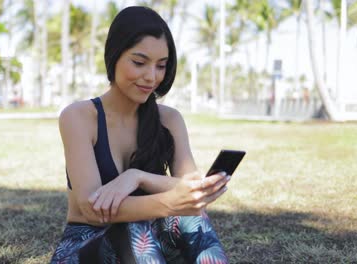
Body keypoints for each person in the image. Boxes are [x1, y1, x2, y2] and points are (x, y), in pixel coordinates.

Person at [51, 6, 230, 264]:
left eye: (161, 66)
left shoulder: (169, 119)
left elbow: (192, 188)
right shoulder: (78, 117)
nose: (151, 77)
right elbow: (91, 210)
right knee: (137, 227)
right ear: (114, 56)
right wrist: (171, 201)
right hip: (89, 245)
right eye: (139, 62)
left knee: (193, 217)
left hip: (152, 241)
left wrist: (137, 178)